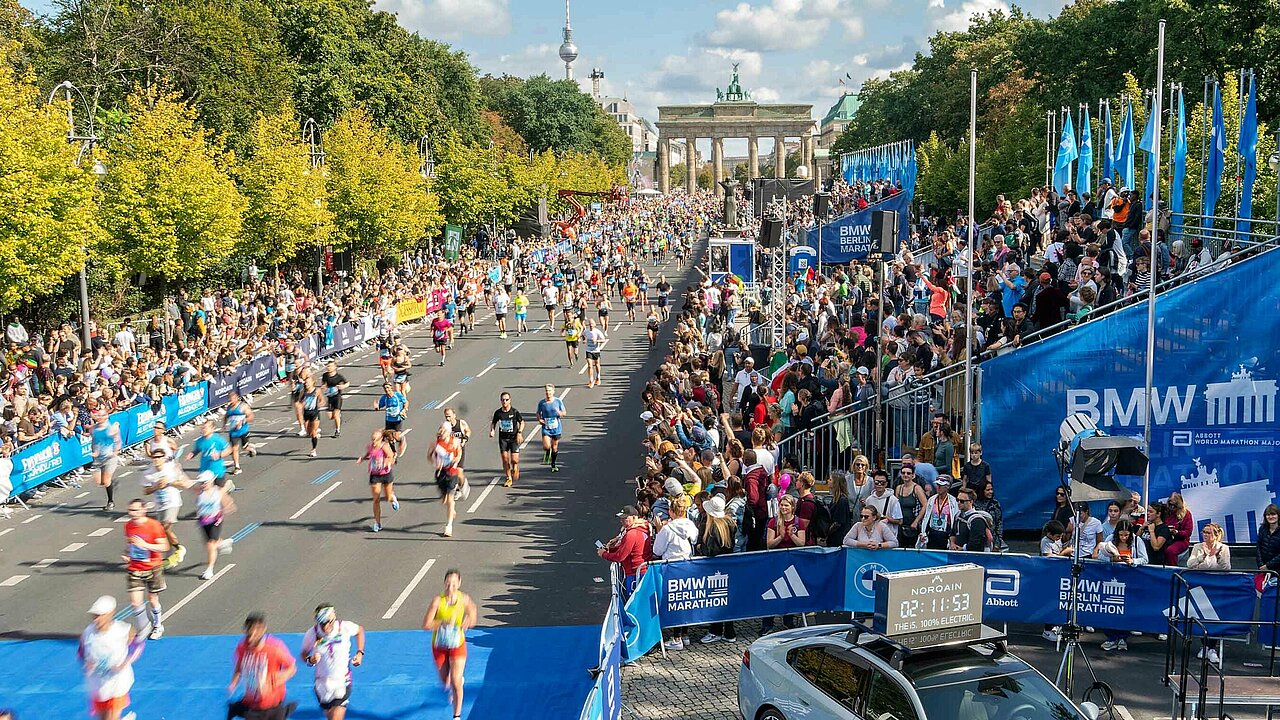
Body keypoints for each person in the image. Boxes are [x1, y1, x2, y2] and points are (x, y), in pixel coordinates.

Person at [422, 570, 478, 720]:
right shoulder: (437, 601)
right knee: (445, 682)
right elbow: (426, 624)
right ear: (444, 584)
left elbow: (473, 610)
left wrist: (469, 620)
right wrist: (442, 623)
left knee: (455, 680)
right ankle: (454, 685)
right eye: (448, 584)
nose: (450, 588)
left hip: (457, 644)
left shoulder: (463, 599)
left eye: (454, 584)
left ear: (459, 584)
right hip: (439, 645)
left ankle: (456, 716)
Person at [80, 595, 143, 720]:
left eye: (100, 615)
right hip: (98, 683)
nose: (96, 619)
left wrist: (125, 663)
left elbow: (138, 645)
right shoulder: (88, 632)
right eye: (94, 616)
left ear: (110, 614)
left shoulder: (122, 630)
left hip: (118, 682)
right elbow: (81, 651)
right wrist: (86, 663)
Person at [300, 604, 365, 720]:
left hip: (342, 681)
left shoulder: (344, 627)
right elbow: (303, 654)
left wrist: (360, 653)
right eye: (322, 623)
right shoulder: (312, 633)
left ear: (333, 618)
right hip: (322, 685)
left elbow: (359, 630)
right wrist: (310, 660)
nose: (325, 626)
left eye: (328, 622)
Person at [228, 613, 297, 720]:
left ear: (262, 631)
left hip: (272, 704)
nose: (250, 639)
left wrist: (276, 679)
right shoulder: (242, 647)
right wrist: (233, 682)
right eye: (249, 634)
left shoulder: (274, 649)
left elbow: (292, 668)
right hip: (251, 704)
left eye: (254, 635)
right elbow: (239, 667)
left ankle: (285, 710)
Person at [654, 494, 698, 649]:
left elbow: (657, 549)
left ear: (671, 512)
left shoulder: (667, 529)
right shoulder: (691, 525)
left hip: (672, 567)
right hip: (688, 565)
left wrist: (659, 531)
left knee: (675, 602)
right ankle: (685, 634)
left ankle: (676, 637)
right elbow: (695, 539)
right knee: (685, 600)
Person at [1098, 520, 1149, 652]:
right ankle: (1111, 638)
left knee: (1126, 608)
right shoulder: (1110, 539)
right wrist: (1112, 559)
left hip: (1130, 579)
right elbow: (1100, 555)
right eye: (1121, 535)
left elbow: (1145, 559)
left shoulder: (1137, 541)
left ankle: (1122, 638)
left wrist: (1133, 561)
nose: (1123, 538)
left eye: (1126, 535)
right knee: (1110, 608)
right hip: (1112, 577)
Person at [122, 498, 169, 640]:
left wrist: (146, 545)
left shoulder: (154, 526)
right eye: (131, 510)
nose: (132, 513)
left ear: (144, 510)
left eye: (136, 510)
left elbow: (165, 547)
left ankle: (158, 625)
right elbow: (130, 544)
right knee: (136, 602)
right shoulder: (128, 526)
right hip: (135, 567)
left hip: (153, 566)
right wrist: (127, 554)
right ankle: (144, 626)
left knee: (153, 598)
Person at [696, 495, 738, 644]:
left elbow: (711, 551)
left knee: (715, 600)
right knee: (725, 600)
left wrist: (701, 547)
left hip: (714, 569)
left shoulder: (713, 528)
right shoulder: (730, 523)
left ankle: (715, 631)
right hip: (728, 568)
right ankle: (729, 631)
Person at [142, 452, 186, 570]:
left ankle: (179, 548)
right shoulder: (148, 473)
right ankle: (172, 554)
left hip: (173, 502)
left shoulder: (170, 469)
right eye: (154, 457)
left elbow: (183, 484)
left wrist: (169, 482)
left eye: (159, 457)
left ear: (163, 458)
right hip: (160, 505)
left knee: (165, 527)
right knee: (163, 532)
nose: (156, 460)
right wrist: (155, 486)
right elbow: (146, 491)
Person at [598, 505, 651, 598]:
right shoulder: (643, 529)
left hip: (634, 574)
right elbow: (627, 549)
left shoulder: (631, 534)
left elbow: (620, 556)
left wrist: (604, 554)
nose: (621, 521)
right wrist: (611, 549)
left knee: (632, 604)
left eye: (625, 518)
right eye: (621, 518)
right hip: (643, 572)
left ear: (634, 517)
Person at [193, 471, 235, 580]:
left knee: (211, 545)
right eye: (201, 482)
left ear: (211, 481)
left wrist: (228, 507)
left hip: (216, 521)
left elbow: (227, 500)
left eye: (205, 482)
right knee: (209, 544)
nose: (203, 484)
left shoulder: (217, 492)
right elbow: (185, 483)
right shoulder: (199, 491)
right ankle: (222, 543)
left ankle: (210, 569)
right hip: (203, 522)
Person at [355, 430, 397, 533]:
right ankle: (377, 523)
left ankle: (393, 498)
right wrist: (363, 458)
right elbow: (369, 454)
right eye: (372, 439)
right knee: (376, 499)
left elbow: (390, 456)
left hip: (386, 474)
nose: (373, 442)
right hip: (374, 475)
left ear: (380, 439)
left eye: (375, 440)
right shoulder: (370, 447)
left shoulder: (384, 446)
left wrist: (386, 463)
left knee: (387, 497)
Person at [432, 425, 464, 538]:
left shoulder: (454, 442)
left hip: (452, 473)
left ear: (449, 432)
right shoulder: (437, 442)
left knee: (450, 499)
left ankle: (449, 526)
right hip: (440, 473)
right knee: (444, 500)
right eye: (441, 430)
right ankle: (452, 507)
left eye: (445, 431)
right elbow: (430, 455)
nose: (442, 432)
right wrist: (436, 463)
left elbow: (459, 453)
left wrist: (455, 460)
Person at [490, 392, 524, 488]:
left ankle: (516, 467)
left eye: (506, 400)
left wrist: (519, 433)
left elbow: (522, 422)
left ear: (510, 400)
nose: (504, 401)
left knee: (514, 460)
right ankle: (508, 478)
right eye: (503, 400)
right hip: (503, 439)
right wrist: (492, 430)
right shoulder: (498, 413)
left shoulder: (514, 412)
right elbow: (493, 423)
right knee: (505, 459)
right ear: (500, 401)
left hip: (513, 438)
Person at [91, 411, 123, 510]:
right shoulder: (93, 429)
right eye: (98, 415)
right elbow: (94, 442)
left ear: (106, 416)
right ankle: (112, 484)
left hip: (110, 458)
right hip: (98, 458)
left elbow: (118, 441)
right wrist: (94, 452)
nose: (99, 417)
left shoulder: (111, 428)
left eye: (102, 415)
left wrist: (115, 452)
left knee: (106, 481)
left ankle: (110, 501)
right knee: (99, 482)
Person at [188, 420, 231, 492]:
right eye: (203, 428)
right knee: (206, 492)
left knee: (221, 493)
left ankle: (228, 486)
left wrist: (219, 454)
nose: (203, 430)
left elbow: (229, 450)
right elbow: (197, 450)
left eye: (206, 428)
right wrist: (192, 454)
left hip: (217, 470)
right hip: (205, 470)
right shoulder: (199, 441)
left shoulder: (218, 439)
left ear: (212, 429)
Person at [917, 477, 959, 549]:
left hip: (945, 533)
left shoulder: (953, 501)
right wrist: (923, 532)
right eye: (937, 485)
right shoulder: (932, 499)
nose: (938, 487)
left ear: (947, 487)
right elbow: (927, 517)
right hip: (932, 533)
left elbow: (955, 518)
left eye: (941, 485)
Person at [895, 463, 928, 548]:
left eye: (908, 473)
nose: (905, 475)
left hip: (913, 525)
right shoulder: (899, 488)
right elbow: (895, 506)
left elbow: (925, 505)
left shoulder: (917, 488)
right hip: (901, 524)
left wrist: (916, 521)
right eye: (903, 473)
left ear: (913, 475)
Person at [224, 390, 257, 473]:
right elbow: (226, 416)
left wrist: (242, 422)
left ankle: (251, 449)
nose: (230, 401)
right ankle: (237, 467)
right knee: (234, 449)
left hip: (243, 431)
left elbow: (251, 416)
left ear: (236, 398)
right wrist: (224, 425)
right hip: (233, 432)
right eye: (229, 399)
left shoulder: (243, 406)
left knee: (245, 447)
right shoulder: (229, 408)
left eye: (232, 399)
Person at [536, 384, 567, 472]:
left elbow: (564, 412)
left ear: (553, 391)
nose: (548, 392)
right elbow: (538, 413)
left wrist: (560, 414)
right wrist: (539, 419)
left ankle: (553, 464)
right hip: (546, 427)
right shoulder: (542, 403)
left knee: (555, 447)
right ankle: (547, 451)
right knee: (546, 446)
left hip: (556, 428)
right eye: (546, 390)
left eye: (549, 390)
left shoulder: (558, 401)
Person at [1162, 492, 1194, 565]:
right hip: (1165, 537)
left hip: (1181, 540)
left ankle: (1172, 569)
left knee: (1171, 550)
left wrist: (1177, 532)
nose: (1172, 507)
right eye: (1170, 505)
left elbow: (1188, 532)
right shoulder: (1166, 512)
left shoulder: (1186, 514)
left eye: (1175, 505)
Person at [320, 361, 349, 438]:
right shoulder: (325, 375)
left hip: (337, 397)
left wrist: (343, 386)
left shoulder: (339, 377)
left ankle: (337, 430)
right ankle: (338, 417)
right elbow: (323, 384)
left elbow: (347, 383)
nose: (328, 368)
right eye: (328, 366)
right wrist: (323, 387)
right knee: (330, 417)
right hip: (330, 397)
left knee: (336, 414)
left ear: (335, 367)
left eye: (330, 366)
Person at [300, 377, 323, 457]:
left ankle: (313, 450)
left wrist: (320, 405)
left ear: (313, 382)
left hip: (314, 413)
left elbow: (322, 400)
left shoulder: (317, 391)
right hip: (306, 413)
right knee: (308, 432)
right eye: (305, 382)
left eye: (308, 382)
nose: (306, 384)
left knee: (313, 433)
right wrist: (302, 405)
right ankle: (316, 433)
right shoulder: (303, 391)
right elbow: (300, 401)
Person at [583, 319, 605, 388]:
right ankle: (591, 380)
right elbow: (583, 336)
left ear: (595, 324)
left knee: (597, 364)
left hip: (596, 351)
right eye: (590, 323)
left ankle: (598, 376)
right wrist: (584, 340)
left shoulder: (597, 332)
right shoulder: (586, 331)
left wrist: (597, 340)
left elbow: (603, 340)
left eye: (592, 323)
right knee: (590, 365)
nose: (591, 325)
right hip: (588, 350)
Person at [1257, 503, 1280, 572]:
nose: (1270, 517)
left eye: (1273, 514)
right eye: (1268, 515)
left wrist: (1268, 566)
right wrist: (1261, 565)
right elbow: (1258, 547)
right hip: (1263, 569)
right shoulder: (1262, 529)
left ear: (1278, 516)